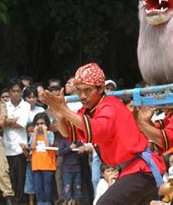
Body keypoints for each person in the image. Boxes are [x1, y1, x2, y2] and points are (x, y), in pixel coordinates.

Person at [40, 62, 165, 204]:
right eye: (79, 90)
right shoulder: (89, 110)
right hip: (133, 170)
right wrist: (59, 112)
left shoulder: (110, 105)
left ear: (101, 88)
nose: (82, 96)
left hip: (141, 168)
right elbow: (66, 132)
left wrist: (64, 110)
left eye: (87, 90)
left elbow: (95, 130)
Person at [4, 78, 31, 205]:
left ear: (22, 92)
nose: (16, 94)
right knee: (9, 179)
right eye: (13, 91)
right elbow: (0, 123)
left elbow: (21, 124)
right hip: (5, 146)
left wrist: (6, 122)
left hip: (21, 147)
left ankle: (19, 201)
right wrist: (12, 121)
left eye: (18, 91)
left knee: (21, 178)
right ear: (9, 92)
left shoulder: (26, 105)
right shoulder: (4, 105)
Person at [31, 112, 56, 205]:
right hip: (36, 165)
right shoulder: (34, 134)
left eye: (42, 123)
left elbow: (47, 145)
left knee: (47, 187)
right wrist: (35, 132)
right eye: (37, 124)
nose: (39, 126)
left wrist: (45, 131)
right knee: (38, 188)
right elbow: (32, 146)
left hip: (48, 165)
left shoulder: (50, 134)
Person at [58, 136, 83, 205]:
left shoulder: (78, 141)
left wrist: (82, 148)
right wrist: (70, 148)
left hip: (77, 169)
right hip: (67, 170)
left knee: (77, 190)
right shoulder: (64, 140)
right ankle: (68, 202)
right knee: (67, 189)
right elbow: (60, 152)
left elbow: (83, 150)